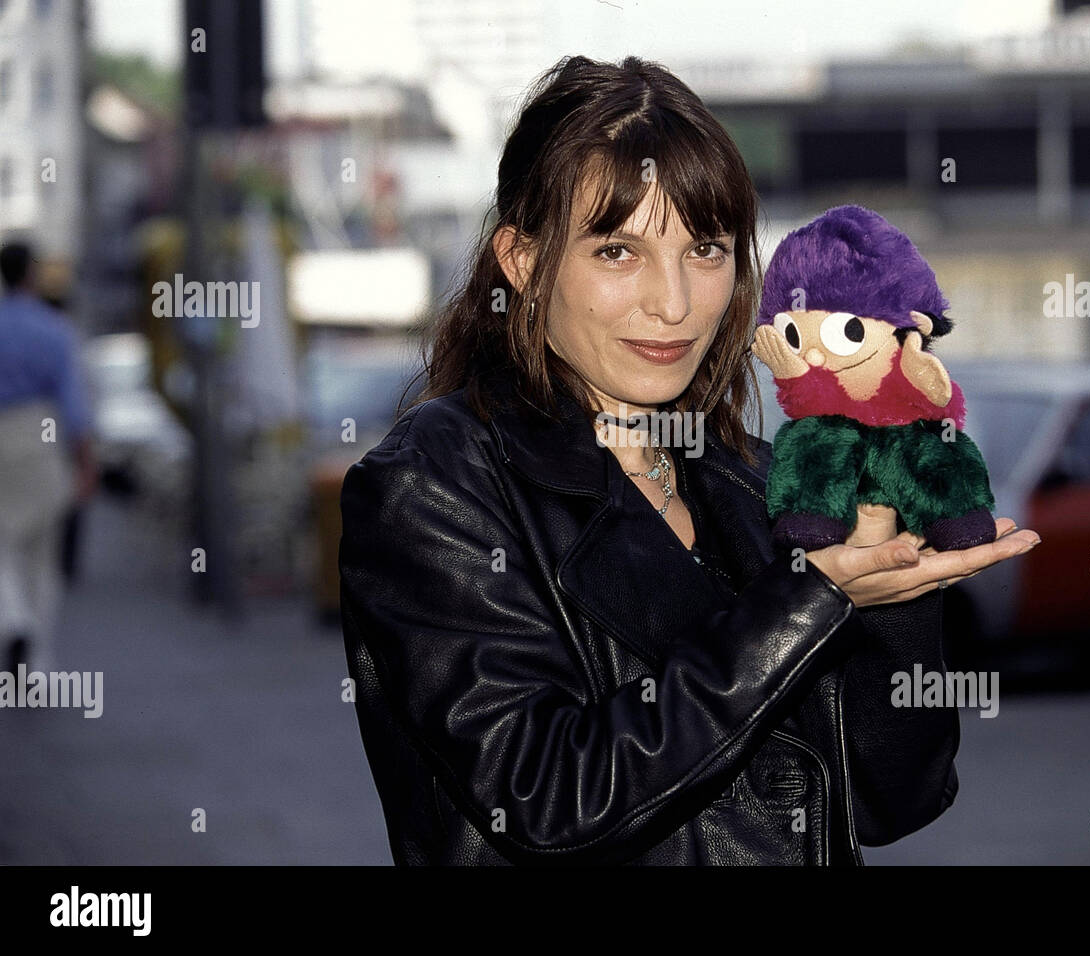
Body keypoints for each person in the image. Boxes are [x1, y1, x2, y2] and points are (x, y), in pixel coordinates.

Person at [337, 55, 1041, 866]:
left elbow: (893, 800)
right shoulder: (435, 482)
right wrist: (805, 601)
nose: (672, 303)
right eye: (617, 251)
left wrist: (896, 595)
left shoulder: (748, 477)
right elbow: (538, 795)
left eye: (705, 249)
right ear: (523, 262)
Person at [0, 240, 98, 675]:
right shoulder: (54, 329)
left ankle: (12, 617)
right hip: (40, 438)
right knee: (43, 556)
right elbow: (74, 408)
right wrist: (86, 463)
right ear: (32, 274)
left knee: (3, 543)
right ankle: (37, 662)